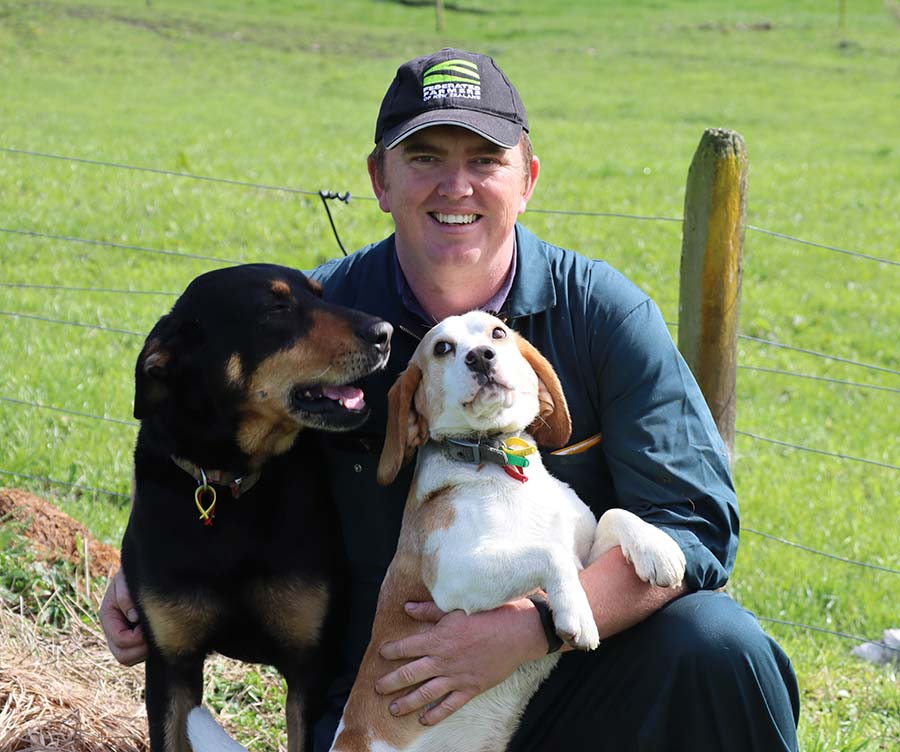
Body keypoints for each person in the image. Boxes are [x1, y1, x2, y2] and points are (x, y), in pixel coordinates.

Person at [101, 48, 800, 750]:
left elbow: (694, 522)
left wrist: (527, 629)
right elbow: (202, 430)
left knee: (719, 642)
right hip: (394, 701)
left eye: (486, 160)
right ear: (379, 178)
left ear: (526, 179)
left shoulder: (602, 317)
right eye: (426, 157)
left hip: (572, 684)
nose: (455, 186)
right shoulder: (327, 325)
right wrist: (146, 557)